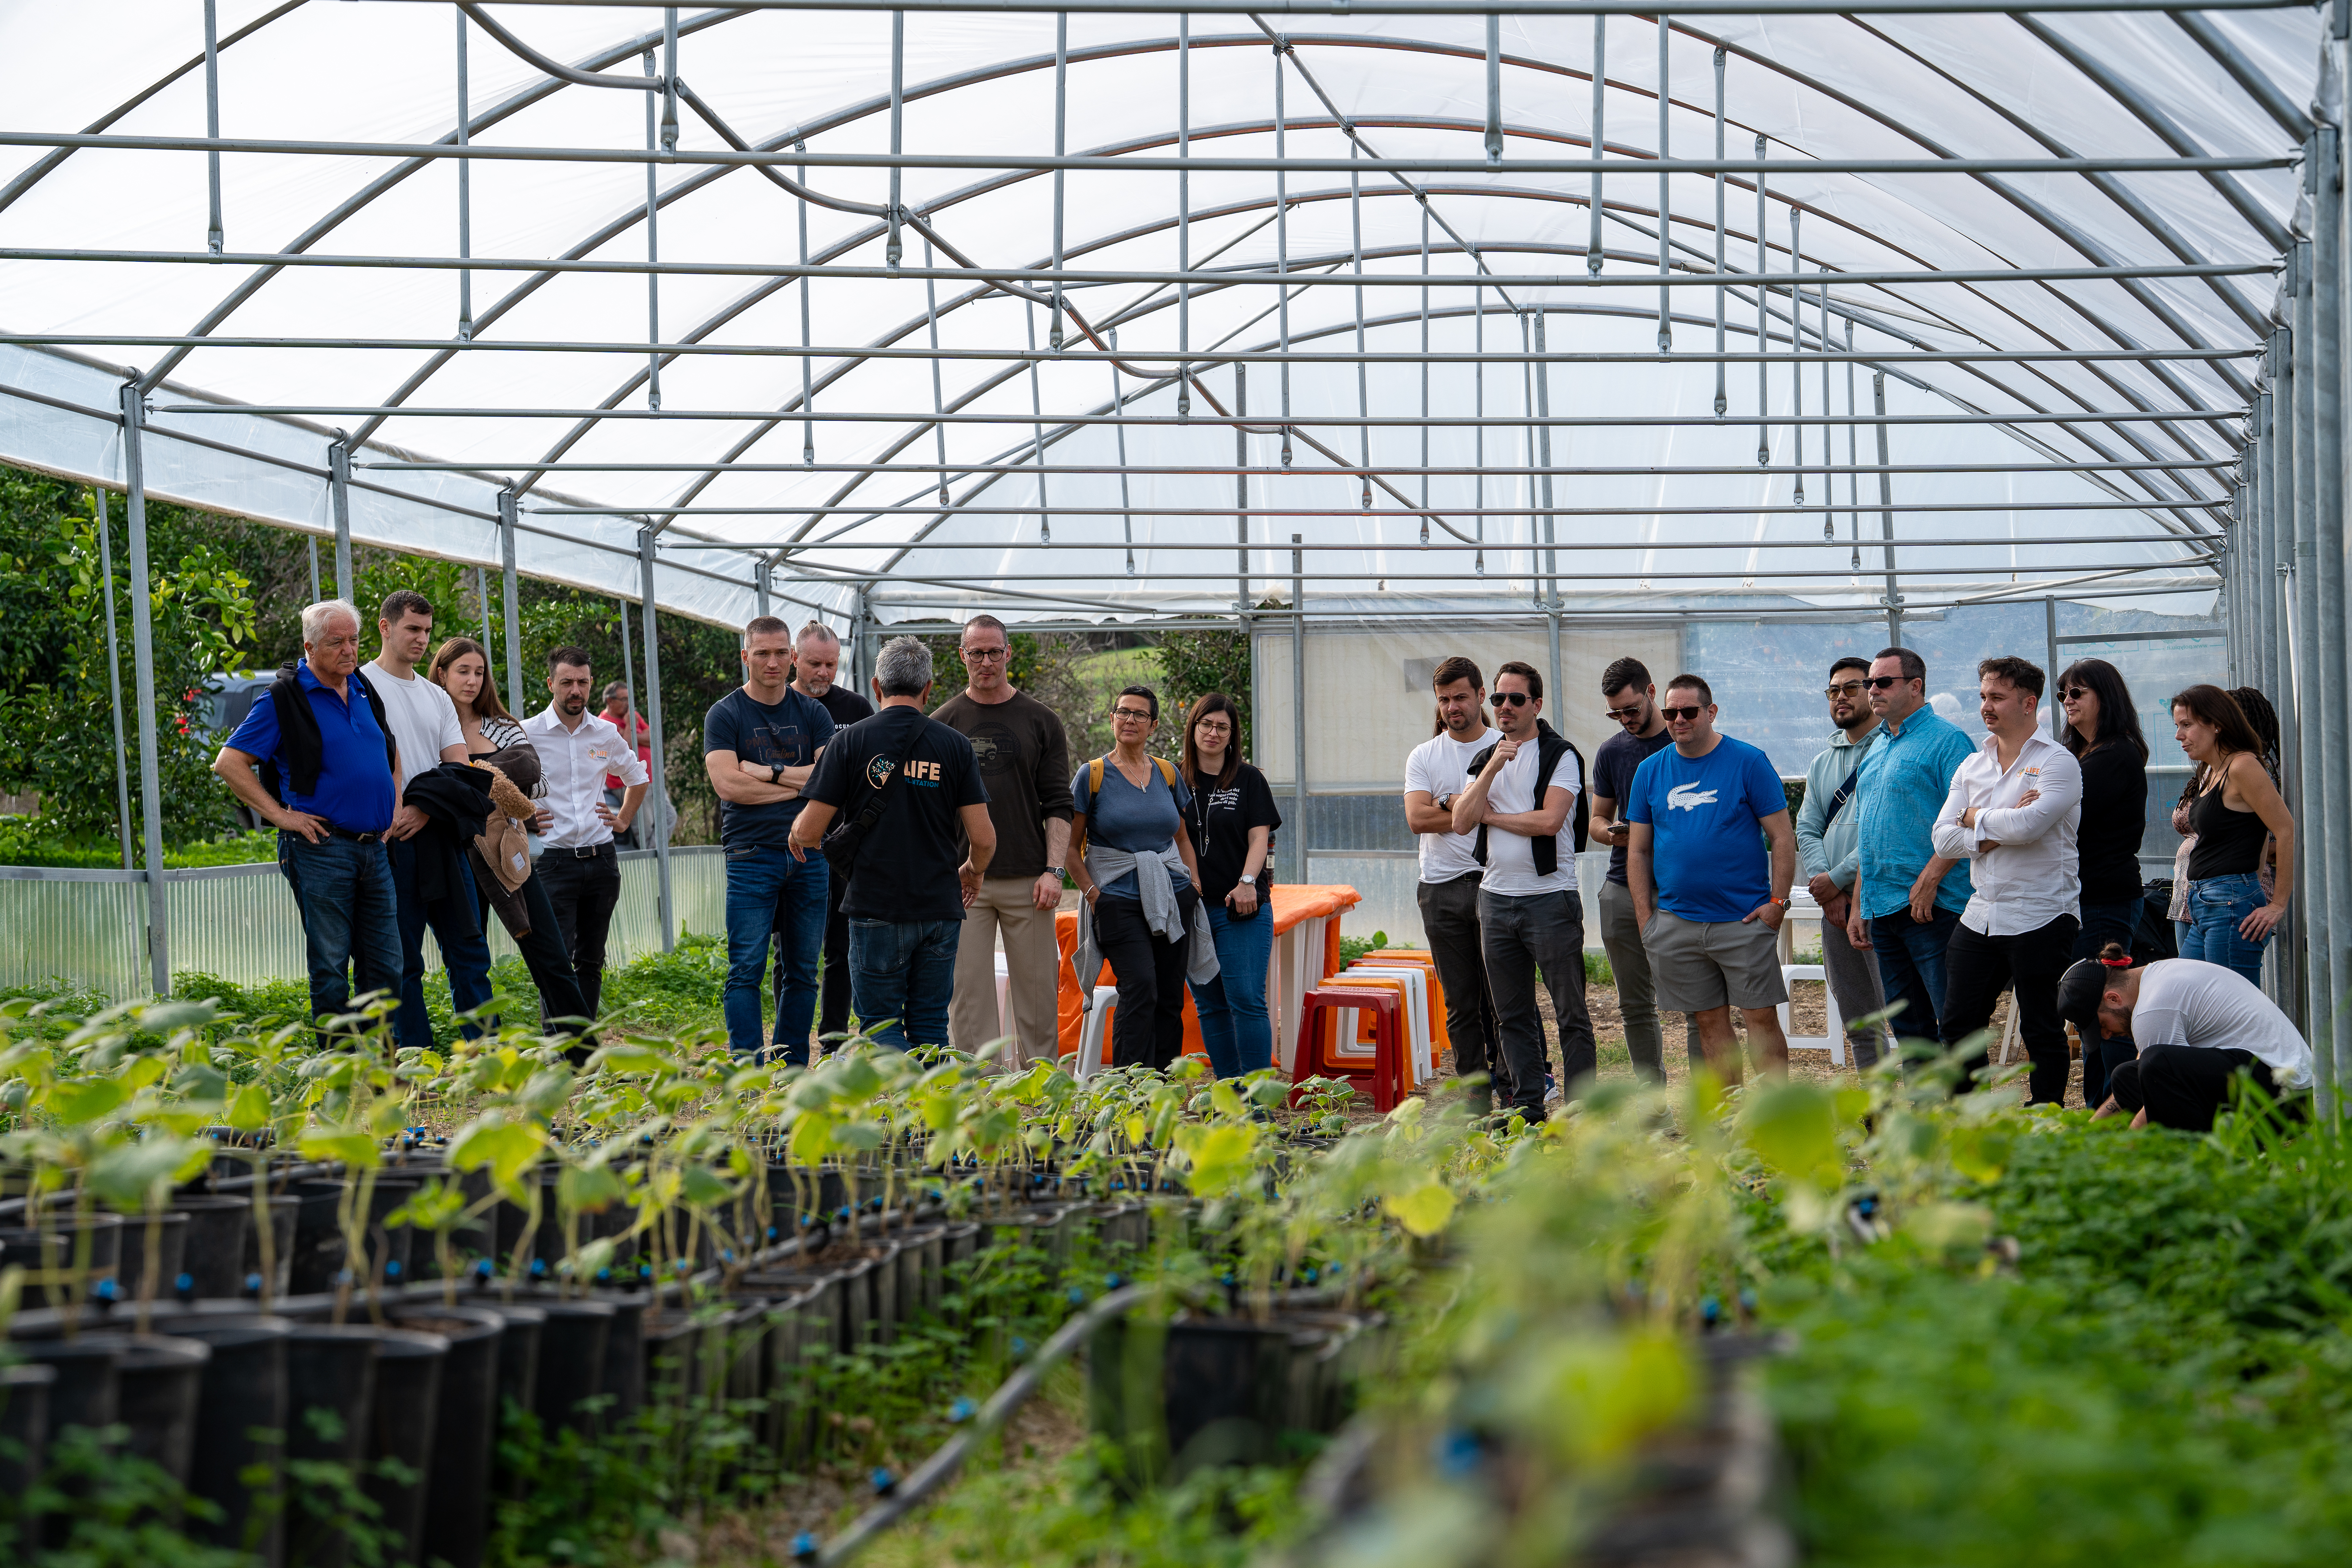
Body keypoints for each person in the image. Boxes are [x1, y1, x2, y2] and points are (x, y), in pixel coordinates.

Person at [791, 637, 993, 1052]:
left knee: (881, 1026)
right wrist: (973, 870)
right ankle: (931, 1116)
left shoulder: (848, 742)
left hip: (875, 906)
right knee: (931, 1027)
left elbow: (810, 833)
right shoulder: (955, 745)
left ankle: (906, 1114)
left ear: (877, 687)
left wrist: (798, 833)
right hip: (939, 906)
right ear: (929, 688)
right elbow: (985, 838)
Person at [213, 600, 402, 1027]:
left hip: (375, 850)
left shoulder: (362, 688)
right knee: (331, 966)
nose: (349, 651)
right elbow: (229, 763)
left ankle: (382, 1075)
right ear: (310, 647)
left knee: (387, 966)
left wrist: (395, 804)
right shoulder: (283, 698)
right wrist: (282, 816)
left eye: (354, 641)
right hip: (321, 848)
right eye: (337, 642)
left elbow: (390, 752)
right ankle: (338, 1076)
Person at [1623, 674, 1796, 1084]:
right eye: (1670, 712)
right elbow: (1638, 849)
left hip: (1743, 920)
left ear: (1711, 712)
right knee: (1708, 1022)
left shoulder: (1748, 761)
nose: (1678, 719)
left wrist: (1777, 904)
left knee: (1760, 1016)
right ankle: (1729, 1126)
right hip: (1678, 922)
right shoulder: (1650, 771)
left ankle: (1778, 1121)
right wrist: (1647, 918)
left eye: (1689, 711)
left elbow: (1782, 837)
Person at [423, 637, 594, 1040]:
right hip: (454, 853)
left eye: (479, 672)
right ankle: (486, 1055)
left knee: (550, 954)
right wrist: (491, 777)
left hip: (504, 851)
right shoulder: (428, 726)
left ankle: (583, 1054)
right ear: (442, 674)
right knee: (468, 958)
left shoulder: (502, 726)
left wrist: (475, 774)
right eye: (463, 671)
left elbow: (540, 786)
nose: (472, 681)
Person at [1929, 658, 2084, 1104]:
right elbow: (1942, 839)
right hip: (1981, 913)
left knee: (2040, 1026)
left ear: (2028, 702)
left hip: (2042, 913)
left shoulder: (2060, 763)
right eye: (1983, 697)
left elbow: (2031, 828)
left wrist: (1975, 819)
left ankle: (2046, 1114)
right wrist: (2004, 823)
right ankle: (1968, 1112)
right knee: (1958, 1024)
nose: (1986, 707)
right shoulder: (1972, 766)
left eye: (1996, 697)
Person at [1449, 661, 1594, 1115]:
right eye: (1498, 699)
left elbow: (1550, 821)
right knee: (1510, 1016)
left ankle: (1583, 1110)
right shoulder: (1485, 757)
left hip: (1550, 900)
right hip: (1495, 900)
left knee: (1570, 1014)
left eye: (1515, 699)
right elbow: (1458, 820)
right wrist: (1491, 768)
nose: (1505, 707)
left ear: (1537, 704)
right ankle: (1529, 1109)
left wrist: (1490, 815)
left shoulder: (1561, 755)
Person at [934, 615, 1075, 1065]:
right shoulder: (943, 723)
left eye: (995, 651)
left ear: (1009, 653)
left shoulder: (1042, 721)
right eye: (977, 652)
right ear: (963, 656)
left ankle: (1041, 1101)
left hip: (1029, 882)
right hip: (964, 881)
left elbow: (1058, 804)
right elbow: (932, 811)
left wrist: (1055, 871)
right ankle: (982, 1103)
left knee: (1037, 1000)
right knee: (970, 1002)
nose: (987, 661)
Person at [362, 590, 495, 1051]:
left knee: (470, 952)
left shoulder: (436, 696)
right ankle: (415, 1059)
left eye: (426, 630)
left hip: (438, 836)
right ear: (385, 627)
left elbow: (459, 769)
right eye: (412, 629)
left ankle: (484, 1054)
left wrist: (424, 807)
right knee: (402, 961)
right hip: (388, 844)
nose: (422, 639)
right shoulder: (360, 687)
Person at [704, 615, 836, 1062]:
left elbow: (830, 781)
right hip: (750, 855)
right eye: (762, 653)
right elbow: (729, 786)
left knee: (803, 972)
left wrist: (768, 771)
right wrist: (802, 784)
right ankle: (746, 1069)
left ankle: (792, 1066)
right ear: (746, 657)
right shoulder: (726, 714)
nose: (773, 661)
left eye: (781, 652)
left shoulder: (813, 713)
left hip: (809, 854)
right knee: (746, 970)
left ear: (793, 657)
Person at [1069, 684, 1216, 1071]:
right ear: (1112, 718)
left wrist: (1194, 886)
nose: (1129, 720)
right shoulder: (1093, 775)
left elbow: (1182, 835)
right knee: (1140, 988)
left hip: (1172, 895)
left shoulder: (1167, 773)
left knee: (1169, 996)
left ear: (1153, 725)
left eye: (1138, 715)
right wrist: (1094, 894)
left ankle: (1160, 1095)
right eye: (1123, 712)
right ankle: (1127, 1096)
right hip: (1117, 901)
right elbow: (1069, 847)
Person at [1847, 646, 1976, 1050]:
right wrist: (1858, 904)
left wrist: (1930, 879)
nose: (1872, 690)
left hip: (1933, 909)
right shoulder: (1877, 747)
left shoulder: (1949, 741)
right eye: (1870, 683)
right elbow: (1870, 833)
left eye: (1883, 682)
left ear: (1916, 686)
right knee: (1909, 1031)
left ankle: (1967, 1113)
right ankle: (1925, 1111)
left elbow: (1969, 820)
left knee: (1953, 1025)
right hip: (1883, 908)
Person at [513, 645, 647, 1024]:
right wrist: (524, 818)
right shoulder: (527, 732)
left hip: (602, 861)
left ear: (591, 685)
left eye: (583, 682)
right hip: (554, 863)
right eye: (568, 682)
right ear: (551, 683)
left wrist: (622, 821)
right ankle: (559, 1048)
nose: (576, 690)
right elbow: (501, 785)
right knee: (555, 959)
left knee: (591, 959)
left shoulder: (605, 732)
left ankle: (583, 1051)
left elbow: (638, 778)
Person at [1588, 658, 1699, 1081]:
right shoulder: (1613, 751)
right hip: (1622, 884)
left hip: (1680, 889)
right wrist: (1612, 833)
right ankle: (1654, 1109)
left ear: (1652, 692)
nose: (1625, 719)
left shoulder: (1686, 744)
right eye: (1615, 713)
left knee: (1697, 1003)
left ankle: (1707, 1111)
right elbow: (1597, 819)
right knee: (1634, 1005)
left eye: (1631, 709)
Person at [2061, 945, 2312, 1131]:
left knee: (2156, 1065)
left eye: (2103, 1025)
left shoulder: (2152, 1009)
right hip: (2262, 1079)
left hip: (2286, 1095)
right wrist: (2087, 1132)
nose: (2106, 1035)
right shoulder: (2157, 975)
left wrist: (2121, 1157)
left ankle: (2198, 1159)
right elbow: (2140, 1083)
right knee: (2127, 1076)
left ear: (2113, 998)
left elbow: (2156, 1090)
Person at [1403, 657, 1505, 1110]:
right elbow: (1416, 819)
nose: (1452, 707)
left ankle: (1517, 1089)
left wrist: (1446, 804)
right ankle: (1474, 1097)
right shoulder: (1425, 755)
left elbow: (1508, 812)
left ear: (1482, 696)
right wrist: (1463, 808)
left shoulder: (1508, 746)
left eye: (1461, 697)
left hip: (1497, 884)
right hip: (1440, 889)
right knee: (1461, 1003)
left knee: (1502, 999)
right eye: (1444, 700)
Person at [2057, 656, 2150, 1108]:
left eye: (2078, 693)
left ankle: (2113, 1106)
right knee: (2091, 1017)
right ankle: (2102, 1105)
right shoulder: (2079, 755)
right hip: (2083, 899)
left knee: (2106, 1010)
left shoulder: (2114, 755)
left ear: (2105, 698)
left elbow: (2056, 814)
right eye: (2063, 694)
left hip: (2105, 899)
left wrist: (2037, 799)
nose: (2068, 702)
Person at [1178, 693, 1283, 1078]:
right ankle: (1230, 1094)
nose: (1214, 732)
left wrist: (1247, 883)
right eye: (1206, 724)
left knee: (1246, 999)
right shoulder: (1173, 779)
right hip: (1193, 910)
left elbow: (1260, 838)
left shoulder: (1249, 778)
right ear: (1193, 728)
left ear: (1233, 735)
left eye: (1223, 727)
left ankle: (1258, 1103)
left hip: (1243, 908)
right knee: (1210, 1004)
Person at [1793, 657, 1891, 1070]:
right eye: (1833, 690)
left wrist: (1836, 880)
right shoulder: (1821, 762)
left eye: (1851, 688)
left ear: (1872, 691)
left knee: (1906, 1017)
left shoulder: (1892, 750)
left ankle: (1929, 1121)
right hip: (1835, 907)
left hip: (1883, 900)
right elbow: (1807, 827)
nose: (1840, 697)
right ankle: (1879, 1118)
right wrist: (1825, 885)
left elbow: (1883, 831)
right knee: (1859, 1020)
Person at [783, 622, 874, 1048]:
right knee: (790, 952)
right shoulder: (773, 705)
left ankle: (835, 1042)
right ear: (794, 660)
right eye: (815, 663)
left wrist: (778, 777)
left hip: (841, 849)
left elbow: (874, 776)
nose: (823, 673)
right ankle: (788, 1041)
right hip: (784, 845)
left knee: (841, 948)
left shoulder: (856, 709)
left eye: (832, 665)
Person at [2171, 684, 2295, 985]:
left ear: (2217, 724)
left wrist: (2277, 904)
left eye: (2187, 725)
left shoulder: (2243, 766)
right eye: (2177, 726)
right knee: (2188, 992)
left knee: (2230, 1011)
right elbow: (2259, 833)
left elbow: (2285, 829)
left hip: (2228, 904)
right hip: (2204, 900)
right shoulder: (2213, 770)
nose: (2179, 736)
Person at [599, 681, 650, 849]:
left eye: (630, 699)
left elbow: (653, 738)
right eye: (623, 699)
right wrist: (630, 725)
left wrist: (630, 731)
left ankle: (657, 857)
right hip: (627, 784)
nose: (628, 704)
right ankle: (650, 864)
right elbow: (626, 748)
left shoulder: (632, 715)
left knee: (669, 817)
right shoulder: (605, 724)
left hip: (648, 779)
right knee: (644, 829)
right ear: (610, 701)